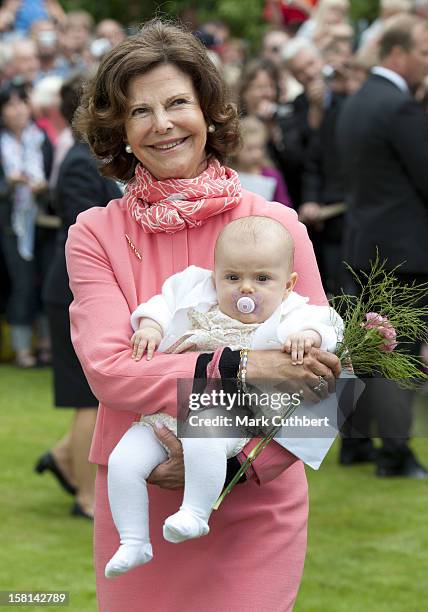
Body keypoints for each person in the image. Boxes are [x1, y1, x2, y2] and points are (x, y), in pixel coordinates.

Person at [66, 20, 341, 611]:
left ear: (210, 112)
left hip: (253, 498)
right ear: (120, 131)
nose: (161, 124)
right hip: (140, 490)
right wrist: (250, 367)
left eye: (176, 103)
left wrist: (241, 462)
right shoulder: (96, 234)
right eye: (139, 111)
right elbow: (110, 371)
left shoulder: (276, 226)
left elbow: (325, 373)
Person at [106, 216, 342, 578]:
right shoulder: (196, 293)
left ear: (287, 283)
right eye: (232, 278)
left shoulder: (292, 310)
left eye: (262, 279)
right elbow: (162, 302)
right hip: (167, 411)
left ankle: (195, 513)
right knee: (123, 460)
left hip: (231, 413)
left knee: (206, 432)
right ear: (215, 276)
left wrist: (306, 337)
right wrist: (151, 325)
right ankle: (134, 541)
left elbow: (323, 325)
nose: (245, 289)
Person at [337, 14, 428, 478]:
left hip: (364, 245)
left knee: (370, 351)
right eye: (424, 53)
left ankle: (356, 445)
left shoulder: (357, 102)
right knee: (399, 354)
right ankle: (394, 454)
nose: (426, 63)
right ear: (398, 53)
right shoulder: (398, 107)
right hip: (403, 252)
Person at [36, 74, 123, 518]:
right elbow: (83, 232)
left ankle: (62, 457)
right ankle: (87, 498)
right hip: (70, 293)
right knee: (89, 399)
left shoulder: (92, 159)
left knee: (92, 397)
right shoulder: (77, 163)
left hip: (77, 292)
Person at [0, 80, 53, 367]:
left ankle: (45, 344)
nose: (18, 110)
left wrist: (42, 186)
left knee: (44, 280)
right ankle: (22, 348)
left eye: (22, 102)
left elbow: (53, 176)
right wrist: (9, 184)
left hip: (42, 219)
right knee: (21, 282)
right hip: (11, 224)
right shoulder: (3, 142)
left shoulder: (40, 138)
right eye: (10, 104)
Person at [231, 116, 291, 205]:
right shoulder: (229, 176)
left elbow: (285, 205)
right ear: (235, 149)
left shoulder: (272, 176)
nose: (257, 154)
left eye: (260, 148)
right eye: (250, 149)